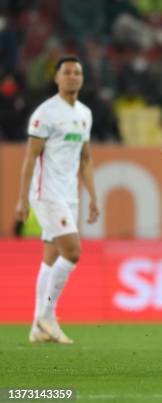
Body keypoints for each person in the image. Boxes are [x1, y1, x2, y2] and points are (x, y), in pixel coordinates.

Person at [15, 56, 99, 344]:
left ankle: (38, 327)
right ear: (57, 78)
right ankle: (48, 316)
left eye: (77, 72)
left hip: (69, 195)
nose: (73, 76)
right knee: (73, 251)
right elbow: (30, 158)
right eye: (67, 72)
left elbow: (85, 159)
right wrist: (22, 200)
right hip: (47, 193)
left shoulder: (85, 113)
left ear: (82, 78)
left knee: (51, 257)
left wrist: (93, 197)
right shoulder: (46, 113)